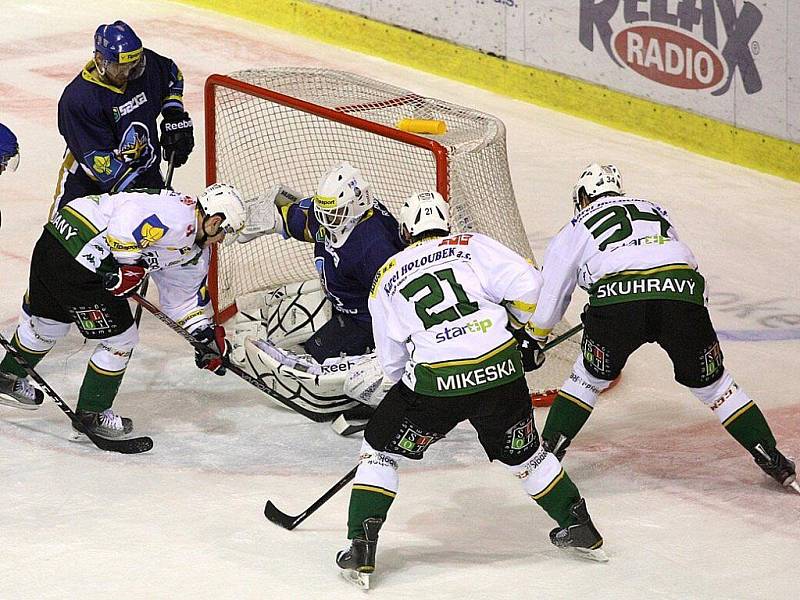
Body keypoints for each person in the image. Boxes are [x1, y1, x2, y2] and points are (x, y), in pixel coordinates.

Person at [335, 191, 606, 589]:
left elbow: (391, 364)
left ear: (406, 232)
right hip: (500, 371)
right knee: (528, 456)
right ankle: (578, 525)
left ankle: (361, 546)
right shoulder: (472, 245)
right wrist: (525, 334)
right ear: (446, 223)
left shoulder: (387, 274)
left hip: (434, 384)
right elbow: (533, 287)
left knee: (379, 449)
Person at [531, 163, 796, 490]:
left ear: (582, 197)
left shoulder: (575, 225)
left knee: (588, 378)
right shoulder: (654, 210)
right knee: (716, 386)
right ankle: (773, 459)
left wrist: (536, 337)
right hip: (682, 296)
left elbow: (547, 306)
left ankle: (545, 461)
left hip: (617, 302)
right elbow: (689, 266)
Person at [0, 183, 245, 439]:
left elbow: (180, 301)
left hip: (54, 242)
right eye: (224, 231)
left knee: (49, 324)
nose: (222, 239)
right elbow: (127, 217)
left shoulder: (194, 250)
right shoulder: (179, 217)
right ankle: (91, 413)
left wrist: (203, 336)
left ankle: (6, 376)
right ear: (215, 221)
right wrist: (130, 265)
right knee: (121, 340)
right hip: (82, 258)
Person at [53, 20, 193, 210]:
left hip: (144, 172)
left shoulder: (144, 67)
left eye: (134, 64)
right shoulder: (78, 100)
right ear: (102, 61)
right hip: (86, 186)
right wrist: (148, 200)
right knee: (61, 238)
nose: (129, 72)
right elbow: (102, 165)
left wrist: (173, 115)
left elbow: (172, 75)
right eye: (121, 67)